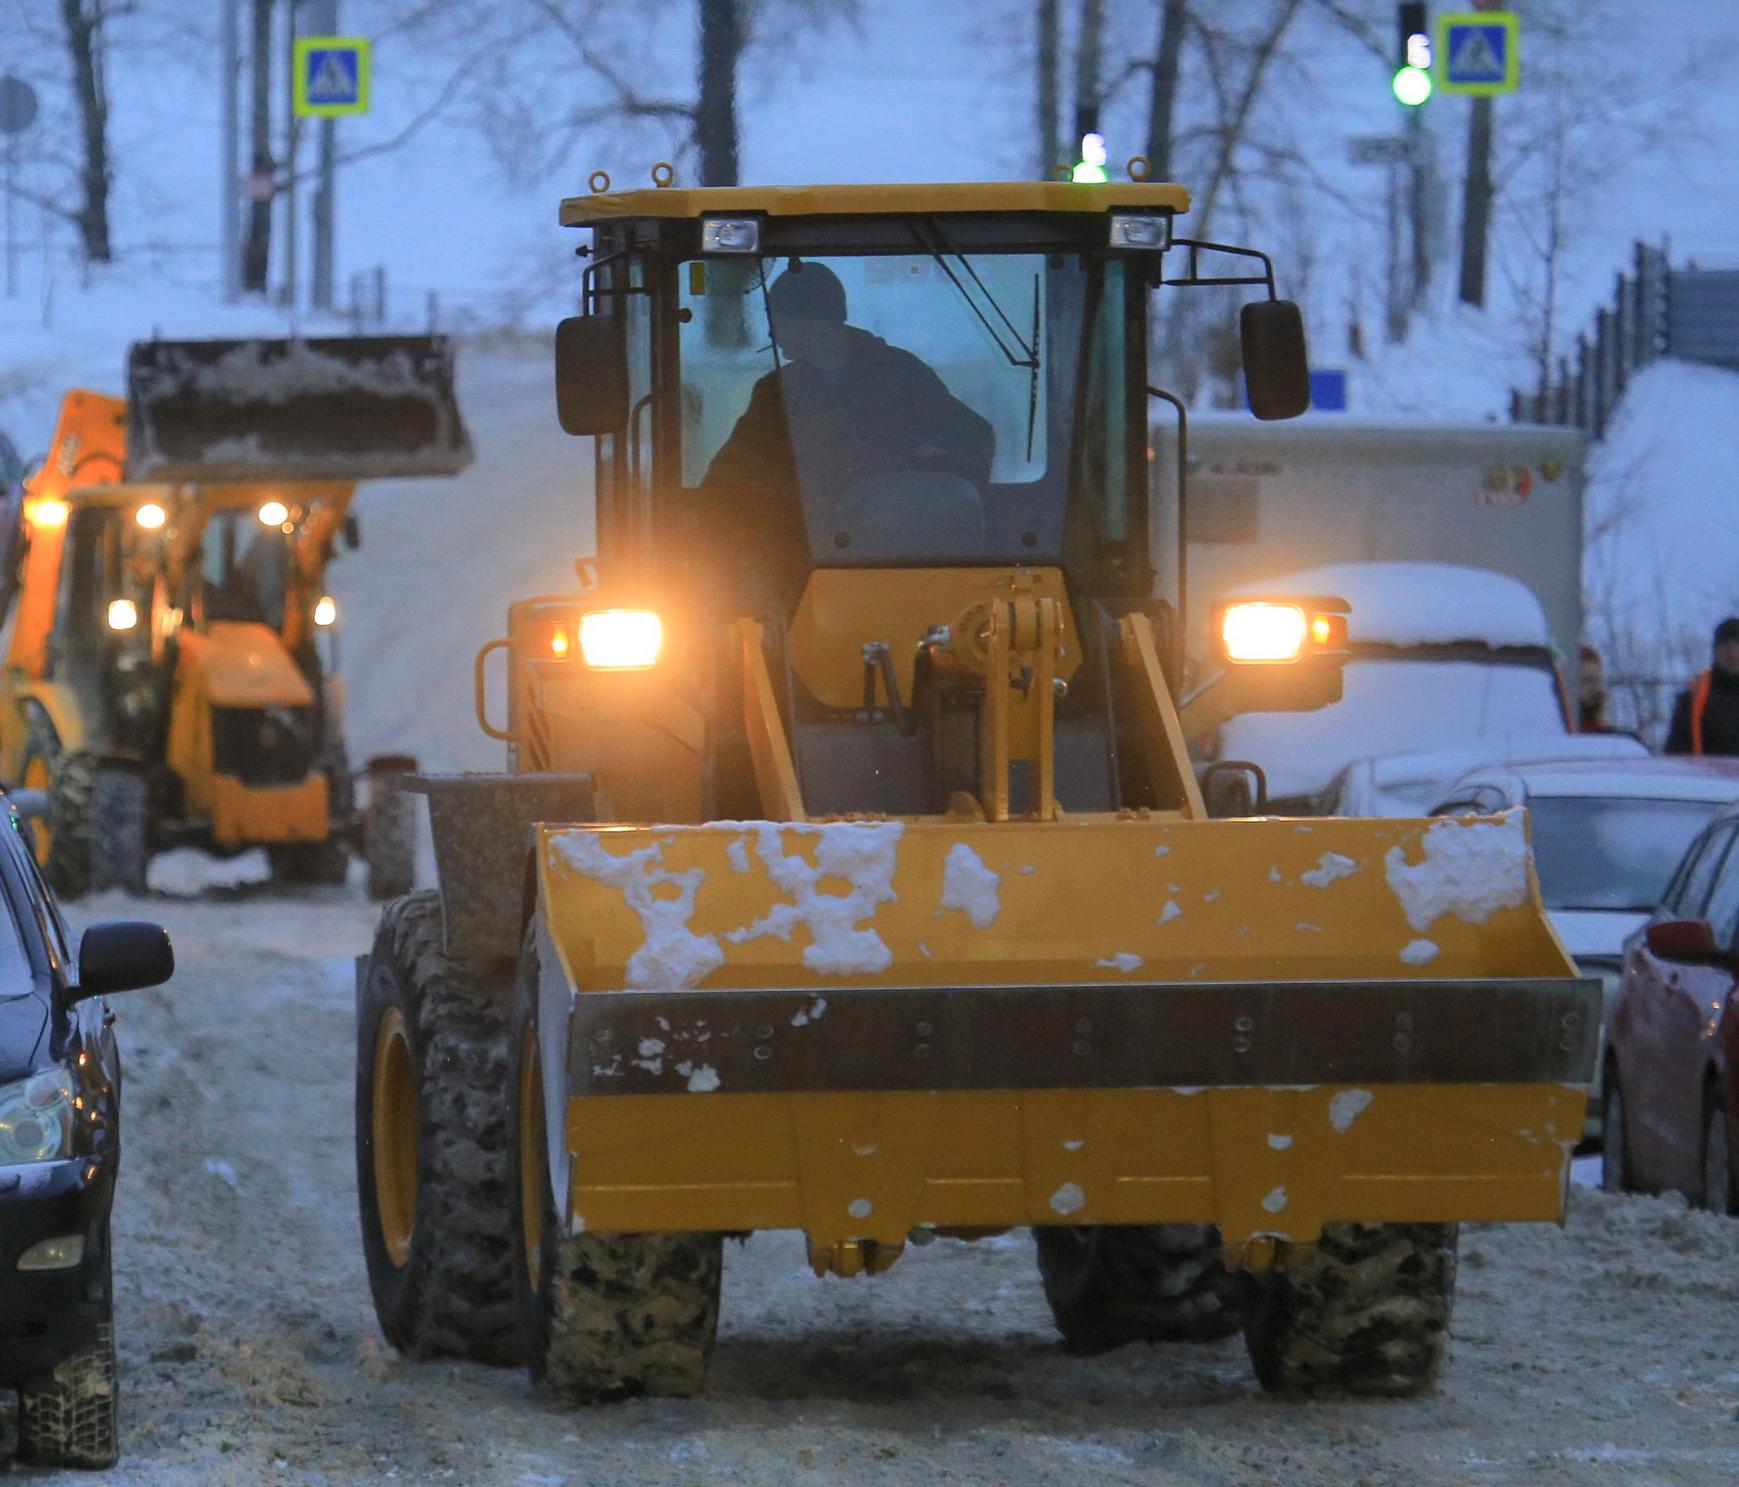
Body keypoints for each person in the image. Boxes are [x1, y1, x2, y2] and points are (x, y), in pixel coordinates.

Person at [697, 261, 994, 605]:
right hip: (803, 567)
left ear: (811, 324)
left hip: (904, 563)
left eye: (779, 323)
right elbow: (733, 474)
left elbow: (974, 437)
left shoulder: (903, 377)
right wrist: (696, 524)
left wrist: (934, 457)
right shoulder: (777, 393)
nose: (772, 335)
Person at [1665, 616, 1739, 756]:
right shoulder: (1691, 700)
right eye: (1725, 646)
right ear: (1715, 652)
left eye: (1738, 645)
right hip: (1707, 776)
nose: (1732, 654)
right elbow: (1675, 756)